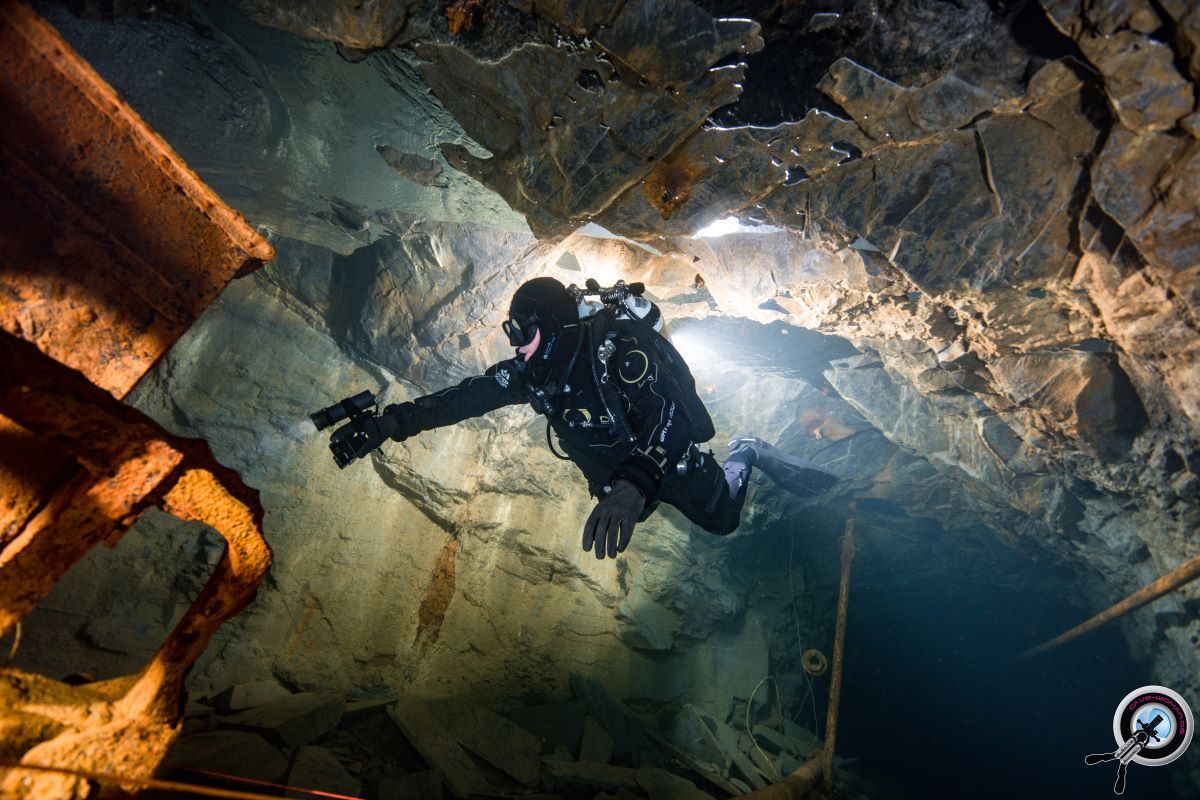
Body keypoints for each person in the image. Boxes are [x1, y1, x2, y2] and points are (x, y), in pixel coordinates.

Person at [330, 277, 837, 559]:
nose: (517, 347)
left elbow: (673, 416)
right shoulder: (533, 375)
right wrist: (388, 425)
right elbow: (464, 398)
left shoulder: (619, 352)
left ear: (551, 326)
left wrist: (635, 484)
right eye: (512, 334)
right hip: (620, 482)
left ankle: (747, 449)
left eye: (523, 332)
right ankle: (636, 491)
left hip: (663, 463)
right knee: (642, 509)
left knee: (723, 520)